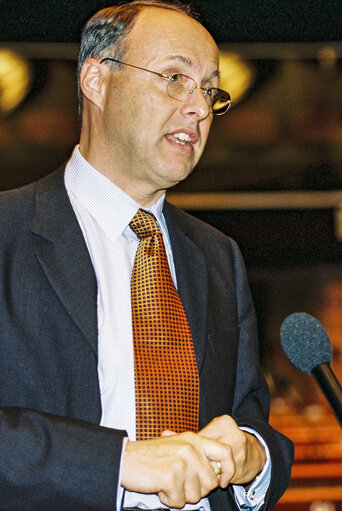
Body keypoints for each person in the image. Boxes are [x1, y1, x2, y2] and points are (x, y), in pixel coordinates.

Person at [0, 1, 293, 510]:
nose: (200, 107)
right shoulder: (7, 233)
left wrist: (252, 456)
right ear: (97, 81)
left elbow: (249, 415)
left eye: (208, 90)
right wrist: (118, 463)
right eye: (175, 77)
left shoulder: (218, 255)